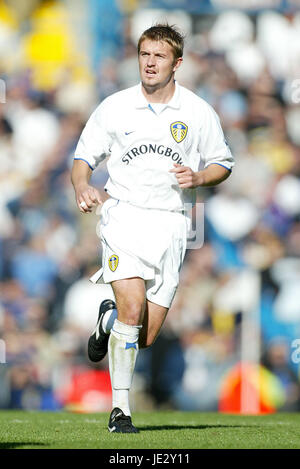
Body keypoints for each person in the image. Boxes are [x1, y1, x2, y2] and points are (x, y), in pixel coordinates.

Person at [71, 24, 234, 433]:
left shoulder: (197, 111)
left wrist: (197, 178)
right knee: (131, 308)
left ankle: (107, 322)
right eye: (145, 54)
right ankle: (120, 411)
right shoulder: (115, 107)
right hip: (123, 216)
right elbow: (83, 158)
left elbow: (223, 163)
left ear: (177, 63)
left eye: (159, 56)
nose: (149, 62)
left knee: (142, 337)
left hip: (171, 225)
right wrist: (82, 186)